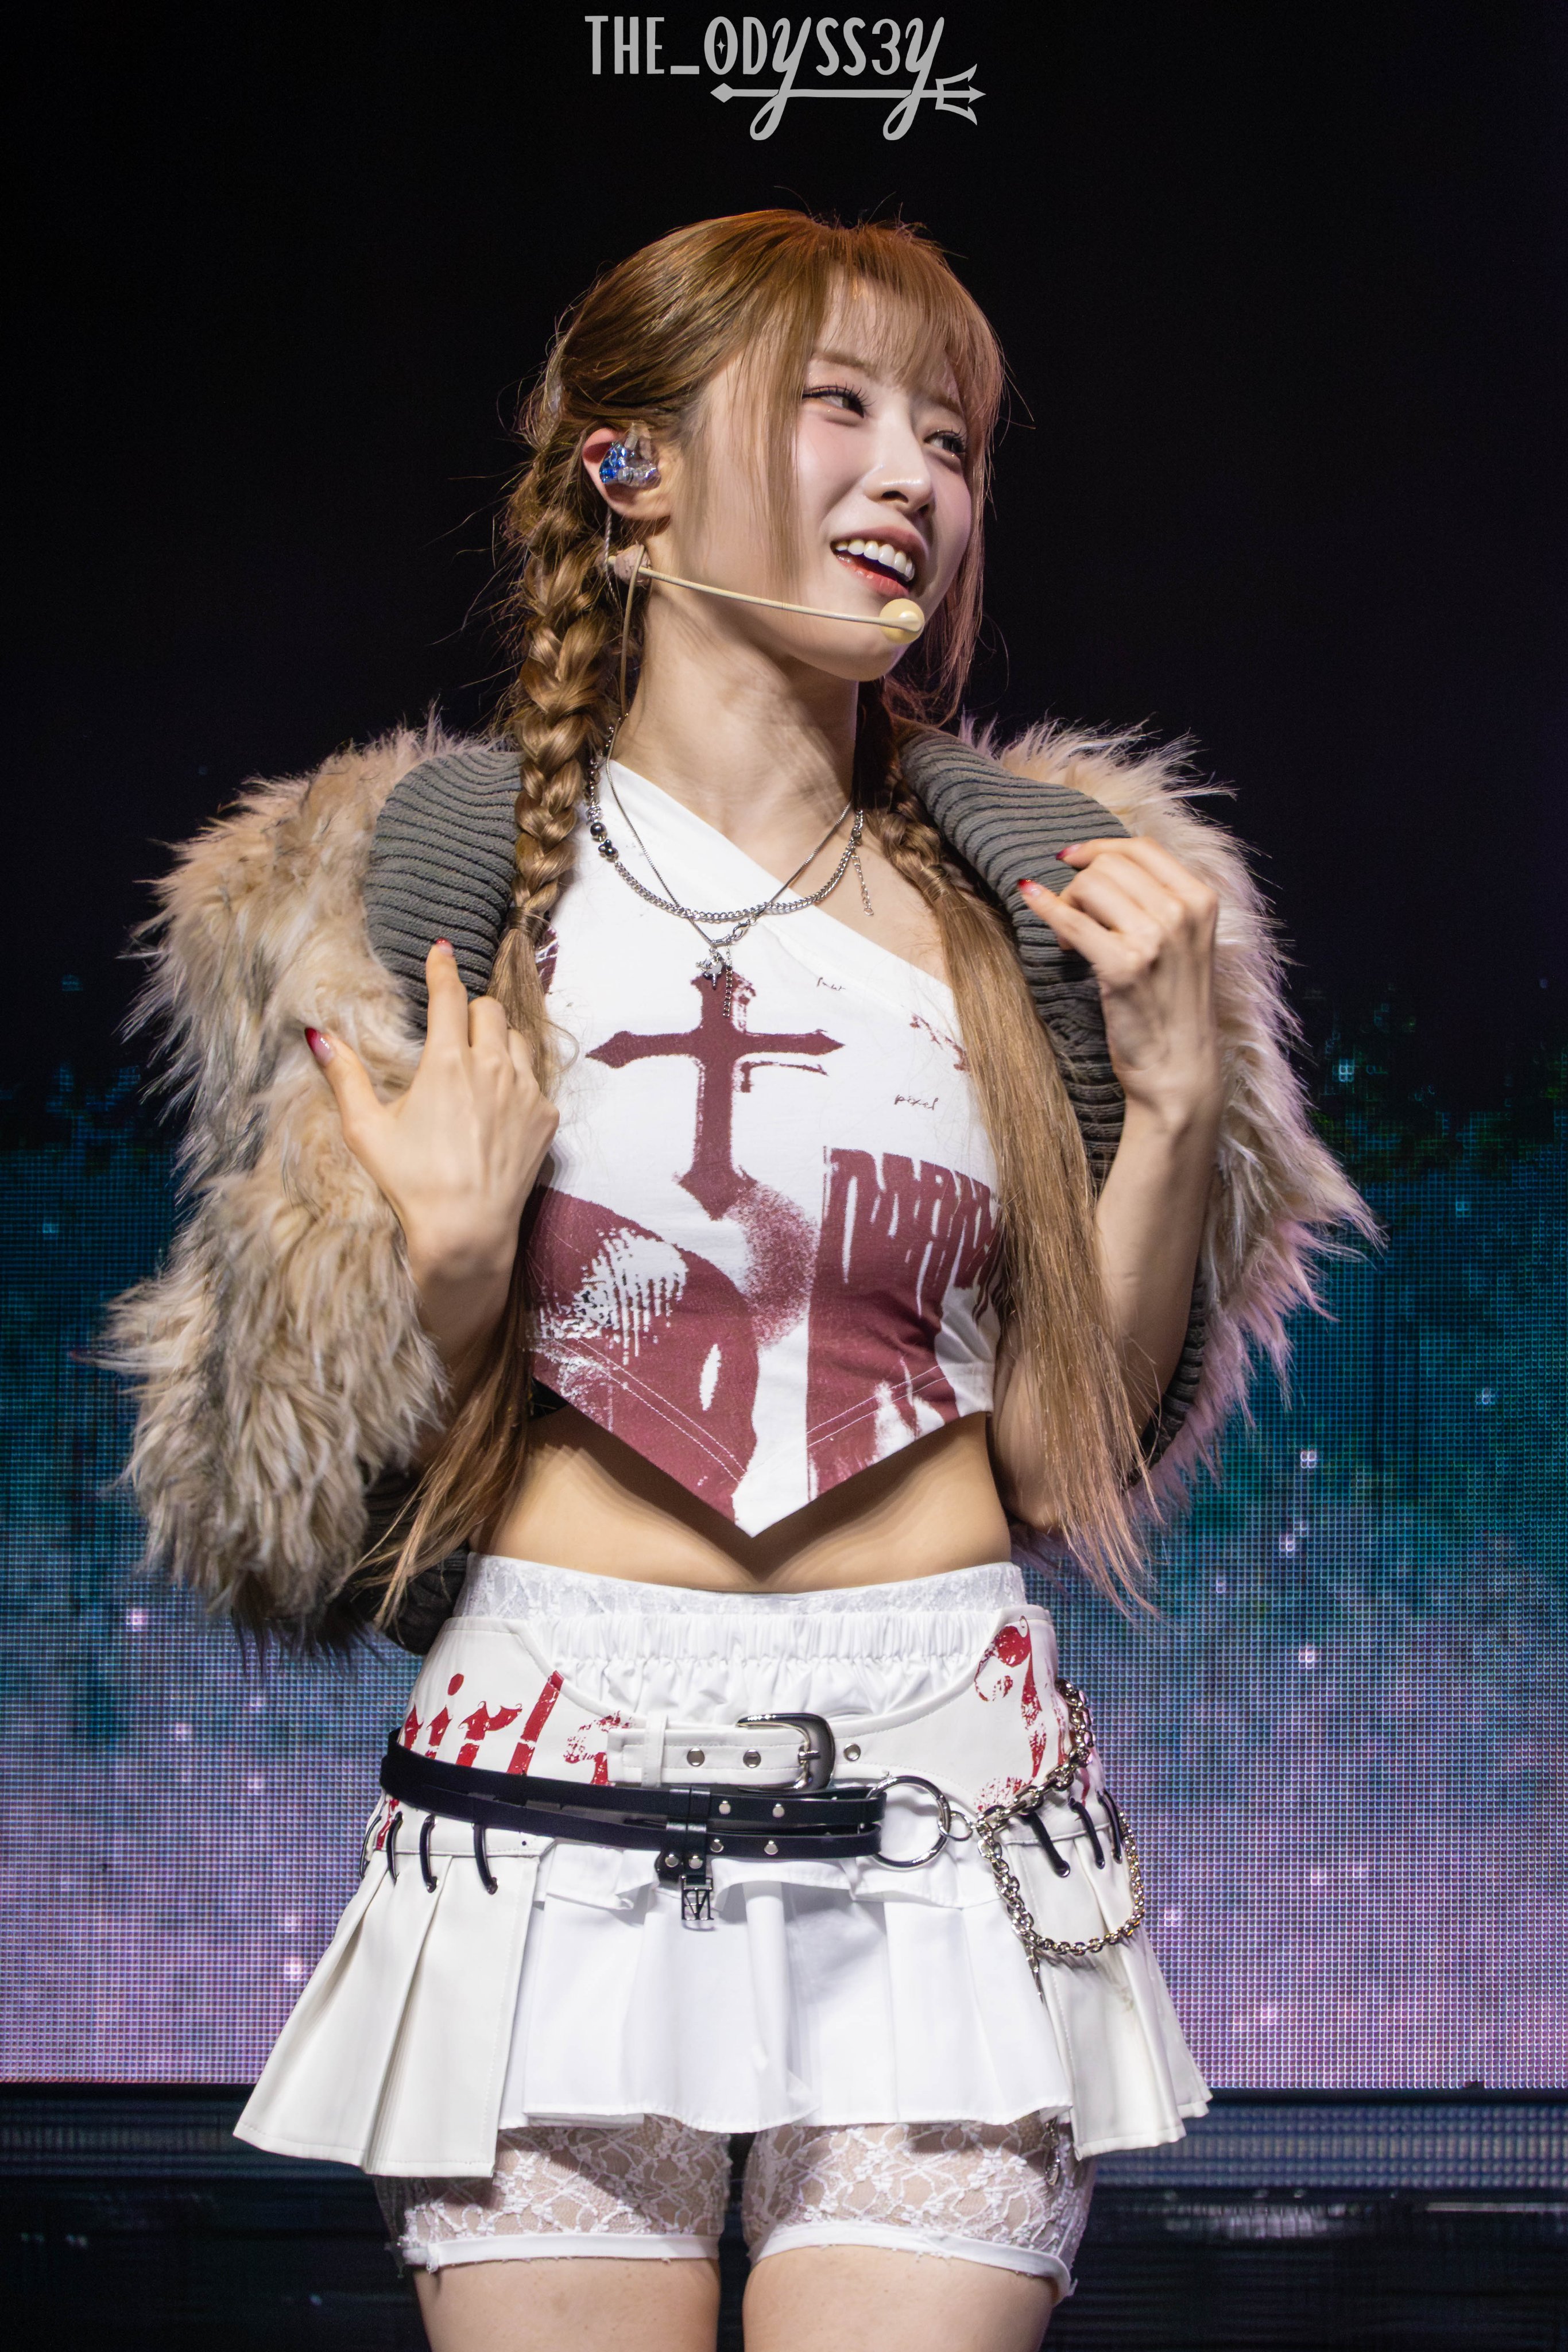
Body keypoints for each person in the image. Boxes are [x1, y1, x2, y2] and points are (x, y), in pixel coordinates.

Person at [110, 211, 1368, 2352]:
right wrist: (442, 1274)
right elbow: (295, 1496)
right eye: (837, 408)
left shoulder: (1036, 909)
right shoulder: (423, 885)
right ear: (630, 473)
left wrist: (1170, 1103)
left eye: (948, 437)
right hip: (550, 1795)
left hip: (942, 1797)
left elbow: (1064, 1463)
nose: (912, 480)